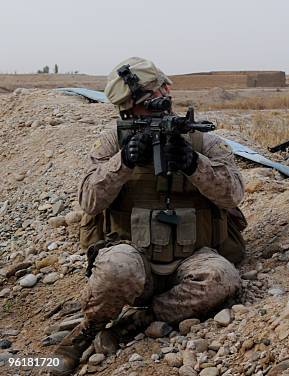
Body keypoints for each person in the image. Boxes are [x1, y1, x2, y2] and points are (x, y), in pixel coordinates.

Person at [50, 57, 246, 375]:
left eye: (144, 104)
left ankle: (140, 319)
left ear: (165, 91)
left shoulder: (202, 141)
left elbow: (234, 192)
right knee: (116, 267)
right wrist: (123, 162)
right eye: (131, 109)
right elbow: (88, 200)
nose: (139, 114)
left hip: (191, 258)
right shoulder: (114, 141)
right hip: (135, 256)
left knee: (221, 278)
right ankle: (85, 332)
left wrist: (193, 164)